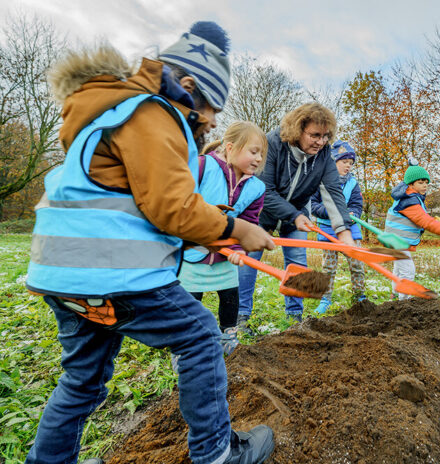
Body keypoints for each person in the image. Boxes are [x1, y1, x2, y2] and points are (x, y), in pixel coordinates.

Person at [24, 22, 275, 464]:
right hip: (112, 271)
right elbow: (172, 206)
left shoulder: (104, 116)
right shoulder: (151, 112)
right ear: (189, 87)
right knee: (200, 337)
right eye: (213, 109)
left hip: (61, 273)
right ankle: (218, 454)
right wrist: (237, 229)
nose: (213, 122)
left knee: (82, 380)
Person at [237, 103, 355, 325]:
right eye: (315, 135)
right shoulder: (272, 144)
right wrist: (294, 215)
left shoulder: (323, 155)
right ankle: (241, 317)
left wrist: (344, 232)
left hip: (297, 213)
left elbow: (333, 193)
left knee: (297, 261)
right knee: (250, 261)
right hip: (261, 213)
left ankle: (294, 318)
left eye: (325, 136)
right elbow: (265, 191)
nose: (321, 142)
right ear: (298, 130)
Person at [178, 121, 267, 353]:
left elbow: (249, 223)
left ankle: (228, 340)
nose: (258, 159)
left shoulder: (256, 188)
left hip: (224, 257)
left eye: (262, 154)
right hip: (191, 253)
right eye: (253, 152)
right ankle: (186, 347)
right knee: (189, 302)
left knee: (230, 298)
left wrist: (239, 250)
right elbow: (181, 202)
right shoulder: (201, 167)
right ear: (230, 147)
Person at [384, 163, 440, 300]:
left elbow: (423, 218)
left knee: (398, 269)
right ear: (411, 184)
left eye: (426, 182)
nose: (425, 185)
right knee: (408, 271)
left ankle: (395, 295)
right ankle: (403, 302)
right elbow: (425, 221)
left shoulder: (409, 197)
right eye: (420, 182)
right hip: (398, 241)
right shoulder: (409, 201)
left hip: (396, 240)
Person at [310, 140, 366, 313]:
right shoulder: (319, 181)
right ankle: (325, 299)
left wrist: (353, 214)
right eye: (344, 162)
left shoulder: (352, 183)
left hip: (350, 229)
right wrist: (331, 212)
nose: (348, 166)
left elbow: (357, 204)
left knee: (357, 263)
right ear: (332, 162)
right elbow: (313, 205)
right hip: (327, 230)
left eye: (350, 163)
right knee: (329, 267)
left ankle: (359, 297)